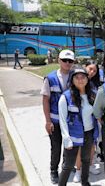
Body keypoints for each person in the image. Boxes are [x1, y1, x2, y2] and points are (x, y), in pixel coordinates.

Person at [58, 66, 98, 186]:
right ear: (72, 80)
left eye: (83, 77)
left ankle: (85, 182)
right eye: (77, 78)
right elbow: (62, 120)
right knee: (68, 165)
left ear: (87, 79)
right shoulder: (66, 97)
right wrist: (66, 139)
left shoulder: (93, 95)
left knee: (86, 160)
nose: (80, 80)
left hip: (89, 133)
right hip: (73, 135)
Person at [41, 49, 75, 184]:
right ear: (59, 61)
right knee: (56, 147)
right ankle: (53, 171)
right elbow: (45, 100)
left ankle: (66, 166)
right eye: (65, 60)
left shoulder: (75, 76)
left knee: (69, 145)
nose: (67, 63)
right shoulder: (50, 78)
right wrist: (47, 121)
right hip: (55, 120)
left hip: (70, 120)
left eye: (70, 61)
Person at [73, 60, 102, 183]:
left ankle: (90, 166)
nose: (92, 72)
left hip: (92, 124)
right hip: (78, 125)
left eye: (95, 70)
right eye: (90, 69)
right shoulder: (74, 87)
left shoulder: (94, 88)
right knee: (79, 150)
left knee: (92, 148)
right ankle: (78, 170)